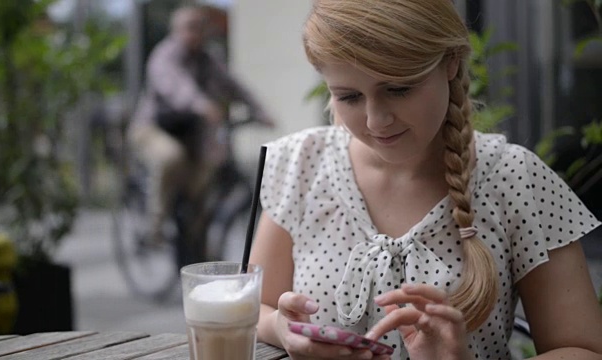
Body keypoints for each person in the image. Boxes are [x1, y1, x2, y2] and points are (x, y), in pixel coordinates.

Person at [250, 0, 602, 359]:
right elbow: (252, 309)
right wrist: (280, 327)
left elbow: (584, 350)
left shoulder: (514, 178)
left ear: (450, 63)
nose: (376, 120)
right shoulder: (302, 165)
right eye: (349, 96)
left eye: (399, 89)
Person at [129, 5, 274, 243]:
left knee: (210, 167)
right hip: (152, 129)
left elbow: (234, 86)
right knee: (170, 157)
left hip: (192, 135)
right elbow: (176, 87)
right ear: (175, 29)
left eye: (200, 28)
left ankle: (193, 226)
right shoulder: (164, 56)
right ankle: (154, 225)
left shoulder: (208, 60)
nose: (195, 33)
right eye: (190, 27)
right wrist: (201, 104)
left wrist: (260, 112)